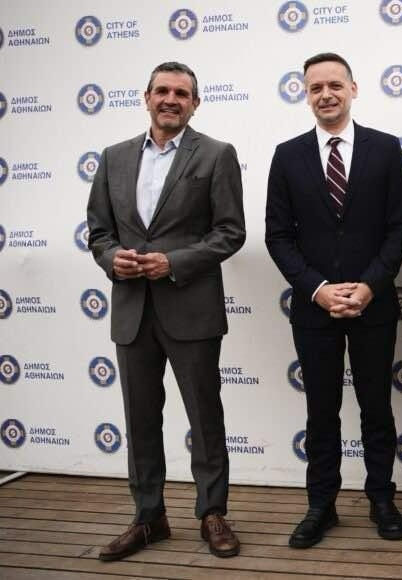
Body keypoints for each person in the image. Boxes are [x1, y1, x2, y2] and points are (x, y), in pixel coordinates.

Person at [86, 61, 246, 561]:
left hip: (191, 308)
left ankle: (212, 513)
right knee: (139, 420)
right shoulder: (113, 158)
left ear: (195, 103)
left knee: (204, 415)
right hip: (132, 311)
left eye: (181, 93)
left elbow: (230, 232)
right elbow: (99, 232)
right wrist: (113, 258)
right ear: (147, 97)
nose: (170, 99)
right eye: (162, 91)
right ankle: (148, 517)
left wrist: (172, 262)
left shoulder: (216, 154)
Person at [265, 53, 402, 547]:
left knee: (376, 407)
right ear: (305, 95)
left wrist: (369, 286)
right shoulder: (287, 156)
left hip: (374, 305)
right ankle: (321, 505)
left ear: (353, 88)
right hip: (314, 308)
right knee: (320, 411)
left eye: (334, 85)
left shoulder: (385, 149)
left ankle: (382, 499)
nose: (325, 94)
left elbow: (398, 228)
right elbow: (278, 236)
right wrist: (319, 289)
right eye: (315, 88)